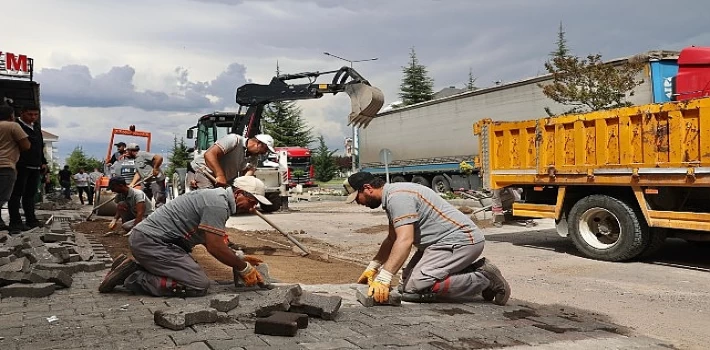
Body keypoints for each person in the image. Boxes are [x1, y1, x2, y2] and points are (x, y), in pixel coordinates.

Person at [344, 171, 511, 305]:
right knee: (406, 281)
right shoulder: (392, 196)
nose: (359, 203)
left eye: (357, 197)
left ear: (367, 188)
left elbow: (405, 240)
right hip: (440, 243)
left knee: (415, 287)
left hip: (461, 241)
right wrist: (373, 266)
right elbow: (392, 239)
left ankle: (485, 278)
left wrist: (384, 277)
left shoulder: (398, 197)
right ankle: (473, 271)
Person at [98, 175, 272, 297]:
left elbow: (210, 239)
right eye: (252, 201)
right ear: (239, 193)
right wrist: (244, 267)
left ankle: (132, 266)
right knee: (197, 284)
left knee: (188, 273)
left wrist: (237, 257)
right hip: (151, 242)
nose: (252, 208)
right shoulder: (217, 204)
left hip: (156, 242)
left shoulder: (217, 199)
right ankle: (133, 277)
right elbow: (214, 247)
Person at [8, 107, 47, 234]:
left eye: (35, 115)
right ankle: (15, 222)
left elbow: (40, 146)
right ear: (22, 113)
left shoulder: (36, 128)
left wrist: (43, 162)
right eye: (30, 114)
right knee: (16, 194)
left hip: (35, 166)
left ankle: (31, 220)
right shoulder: (16, 126)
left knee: (30, 195)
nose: (33, 117)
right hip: (21, 165)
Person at [187, 133, 275, 189]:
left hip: (218, 180)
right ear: (258, 144)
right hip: (202, 171)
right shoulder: (234, 140)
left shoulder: (254, 158)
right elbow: (209, 154)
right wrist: (220, 175)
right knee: (210, 201)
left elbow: (246, 177)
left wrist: (242, 189)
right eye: (265, 149)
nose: (264, 153)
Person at [0, 105, 30, 231]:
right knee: (2, 196)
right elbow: (26, 145)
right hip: (5, 165)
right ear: (11, 115)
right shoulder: (13, 126)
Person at [124, 143, 166, 208]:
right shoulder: (136, 159)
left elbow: (159, 158)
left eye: (127, 151)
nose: (126, 153)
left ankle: (160, 216)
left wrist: (155, 169)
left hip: (156, 181)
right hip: (146, 181)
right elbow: (138, 173)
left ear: (131, 150)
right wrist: (132, 184)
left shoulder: (142, 154)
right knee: (144, 200)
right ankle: (147, 216)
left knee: (159, 200)